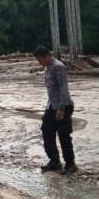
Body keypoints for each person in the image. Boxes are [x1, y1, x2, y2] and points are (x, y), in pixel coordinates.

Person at [33, 45, 77, 174]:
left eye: (39, 59)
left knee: (64, 136)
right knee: (46, 131)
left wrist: (61, 109)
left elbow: (64, 89)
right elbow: (52, 91)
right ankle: (55, 161)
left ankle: (70, 164)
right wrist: (50, 107)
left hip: (63, 106)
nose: (38, 62)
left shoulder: (58, 66)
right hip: (52, 106)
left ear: (46, 56)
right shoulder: (48, 67)